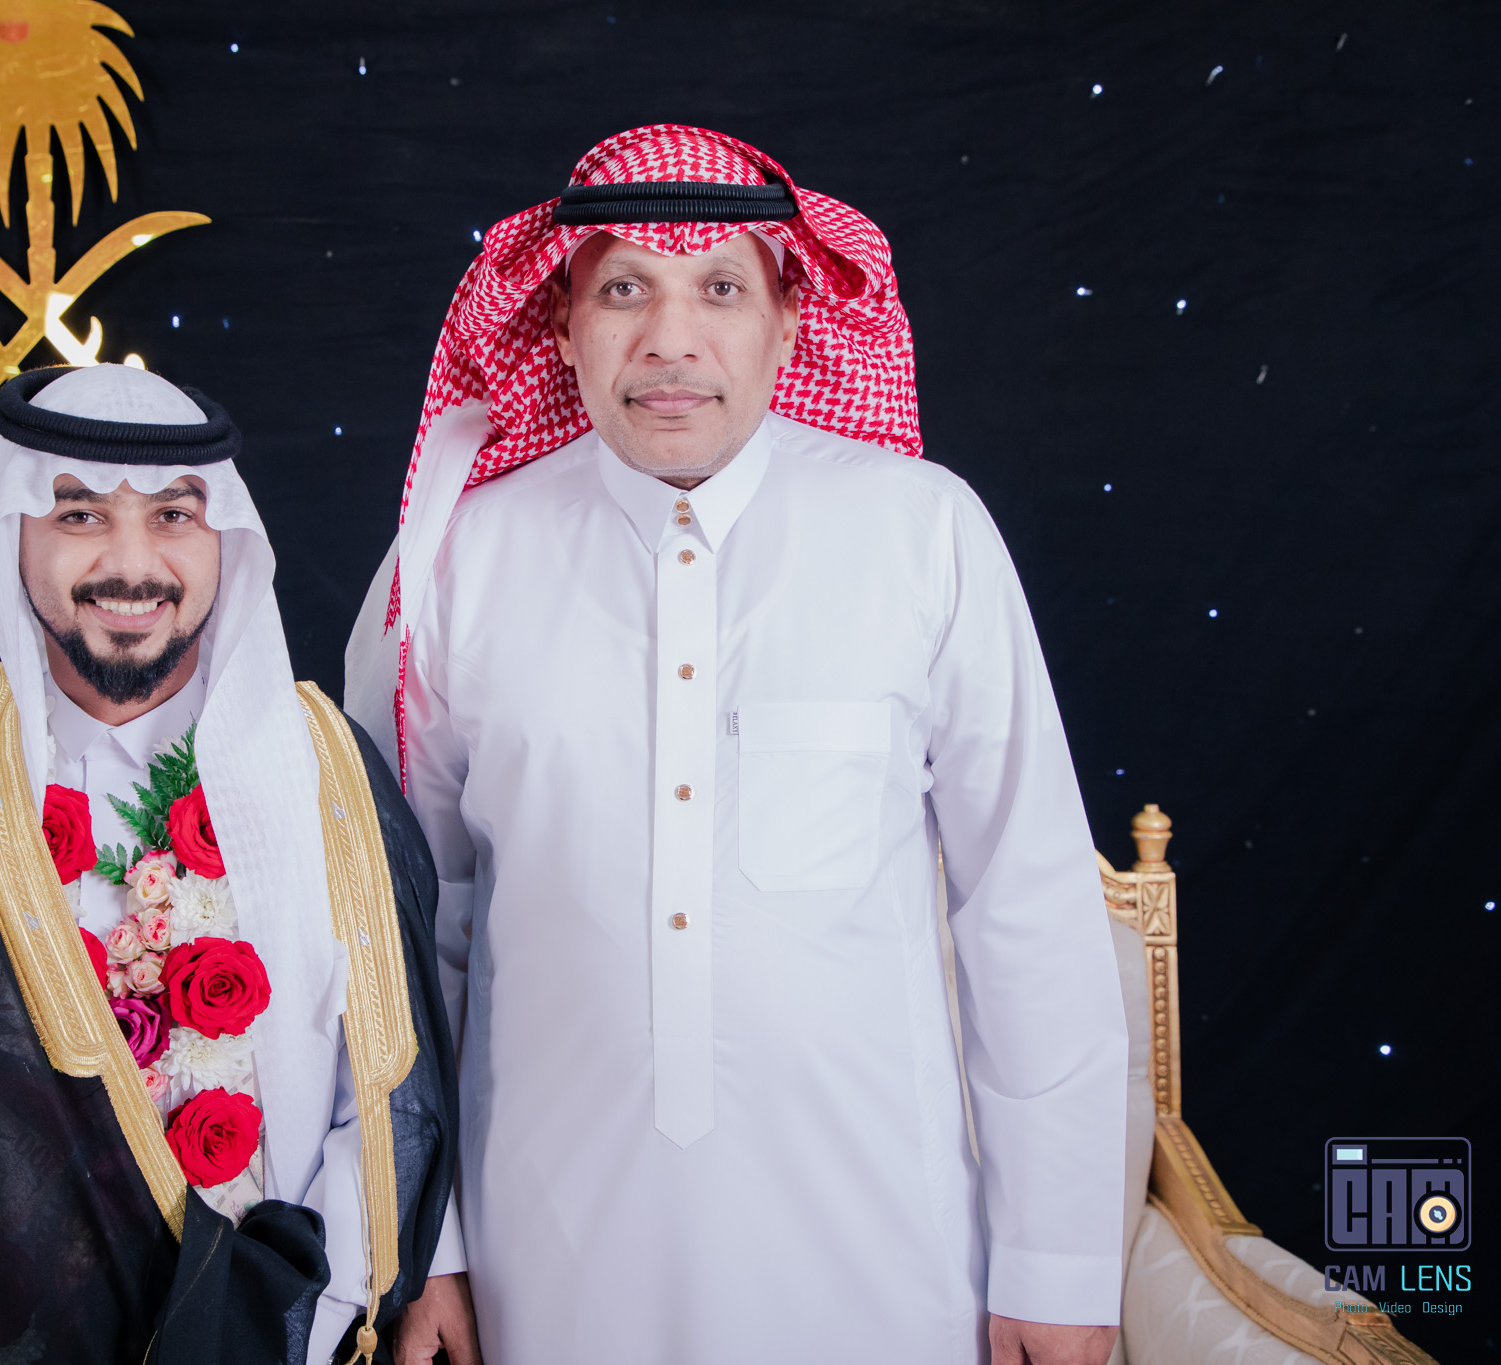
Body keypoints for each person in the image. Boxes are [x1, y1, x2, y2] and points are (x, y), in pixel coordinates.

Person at [346, 125, 1128, 1365]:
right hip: (544, 1258)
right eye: (623, 290)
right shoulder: (452, 564)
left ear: (788, 322)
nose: (671, 340)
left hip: (881, 1254)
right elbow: (395, 931)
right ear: (560, 326)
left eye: (720, 288)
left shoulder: (922, 535)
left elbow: (1024, 912)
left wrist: (1057, 1264)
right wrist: (423, 1246)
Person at [0, 363, 479, 1365]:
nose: (132, 564)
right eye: (78, 515)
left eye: (172, 516)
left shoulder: (322, 769)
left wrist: (299, 1320)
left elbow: (384, 1082)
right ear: (15, 533)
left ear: (223, 536)